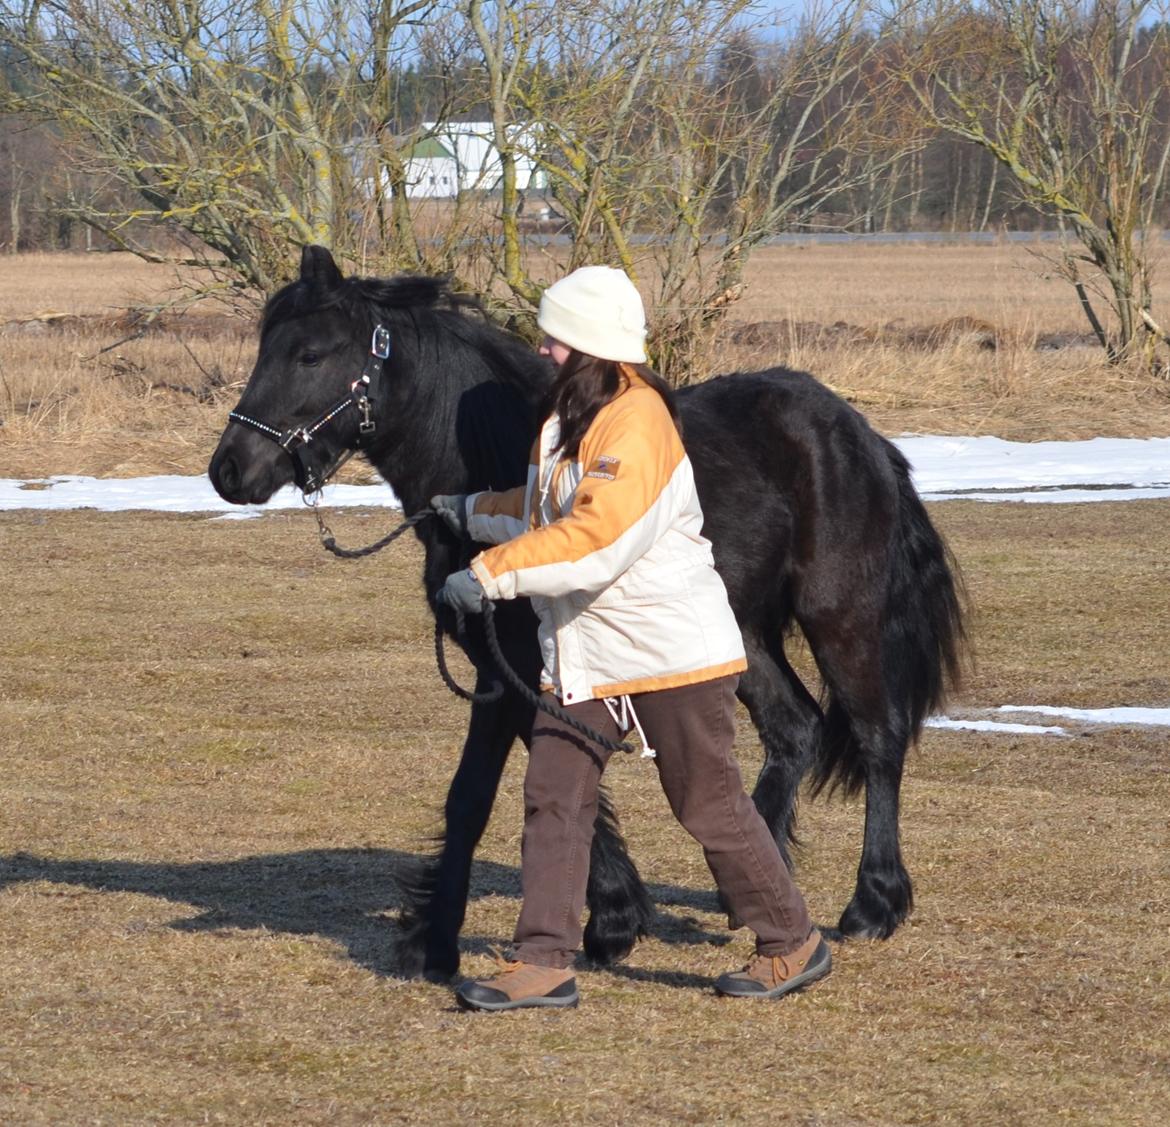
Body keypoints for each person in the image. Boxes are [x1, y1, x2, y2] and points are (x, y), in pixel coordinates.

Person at [431, 265, 830, 1012]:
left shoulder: (637, 420)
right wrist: (470, 508)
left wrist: (488, 574)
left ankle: (792, 940)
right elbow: (550, 507)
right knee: (554, 792)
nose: (543, 348)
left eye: (556, 335)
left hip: (667, 652)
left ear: (589, 343)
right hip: (591, 648)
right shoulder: (573, 414)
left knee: (706, 802)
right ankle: (544, 959)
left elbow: (595, 537)